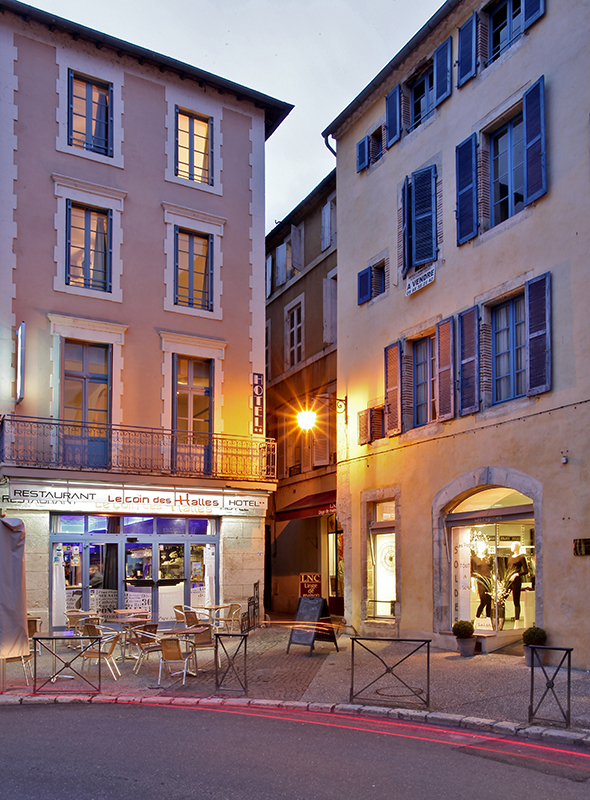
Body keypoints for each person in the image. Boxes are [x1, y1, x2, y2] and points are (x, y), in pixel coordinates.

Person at [471, 540, 493, 618]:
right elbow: (473, 572)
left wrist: (495, 581)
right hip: (480, 582)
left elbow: (492, 570)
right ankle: (477, 617)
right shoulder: (474, 559)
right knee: (483, 601)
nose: (482, 548)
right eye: (480, 546)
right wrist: (473, 584)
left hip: (489, 581)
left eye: (483, 546)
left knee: (489, 602)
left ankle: (488, 619)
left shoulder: (489, 558)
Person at [507, 541, 529, 622]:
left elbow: (526, 571)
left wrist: (517, 574)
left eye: (513, 546)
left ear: (517, 547)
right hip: (508, 581)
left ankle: (517, 621)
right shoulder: (509, 557)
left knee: (516, 600)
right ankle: (500, 620)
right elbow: (508, 569)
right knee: (501, 598)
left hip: (516, 581)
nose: (511, 547)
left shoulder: (521, 557)